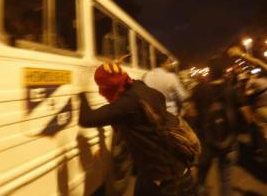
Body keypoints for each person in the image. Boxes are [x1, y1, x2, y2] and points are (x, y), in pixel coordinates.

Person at [78, 60, 200, 196]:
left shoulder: (127, 104)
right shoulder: (142, 89)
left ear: (109, 86)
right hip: (166, 171)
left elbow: (87, 119)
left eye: (102, 87)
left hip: (168, 181)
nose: (101, 92)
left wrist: (82, 90)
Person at [191, 55, 241, 196]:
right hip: (229, 141)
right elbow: (245, 112)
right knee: (226, 179)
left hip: (205, 142)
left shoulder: (198, 89)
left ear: (210, 71)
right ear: (223, 71)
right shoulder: (232, 89)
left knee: (201, 179)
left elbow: (192, 113)